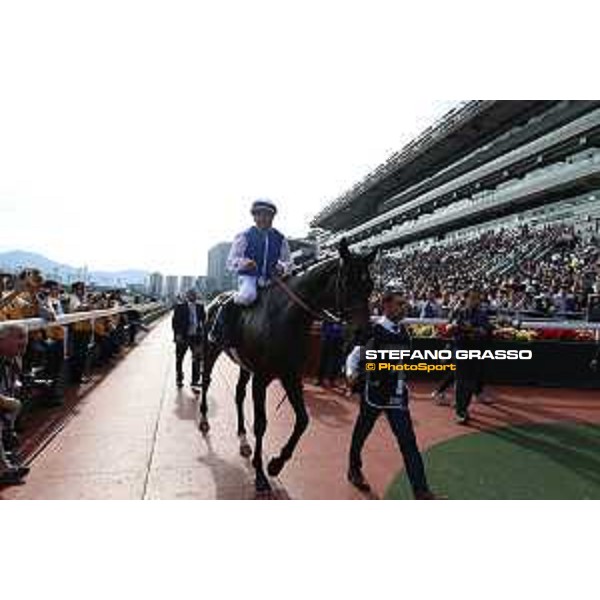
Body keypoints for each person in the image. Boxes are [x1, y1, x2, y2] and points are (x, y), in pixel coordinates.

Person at [345, 291, 435, 499]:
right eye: (399, 304)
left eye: (404, 304)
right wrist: (350, 373)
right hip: (374, 392)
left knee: (408, 442)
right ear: (386, 305)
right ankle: (354, 469)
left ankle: (421, 490)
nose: (404, 307)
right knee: (361, 432)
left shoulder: (404, 331)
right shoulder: (373, 331)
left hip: (396, 396)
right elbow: (355, 355)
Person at [209, 199, 292, 347]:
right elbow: (231, 261)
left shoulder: (281, 238)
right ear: (254, 217)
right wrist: (245, 263)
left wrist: (282, 268)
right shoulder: (244, 235)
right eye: (260, 215)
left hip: (272, 279)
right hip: (249, 278)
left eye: (268, 215)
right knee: (248, 296)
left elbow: (288, 262)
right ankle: (220, 330)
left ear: (273, 217)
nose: (264, 218)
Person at [448, 289, 492, 424]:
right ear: (465, 299)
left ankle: (463, 406)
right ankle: (461, 411)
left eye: (477, 298)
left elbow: (484, 331)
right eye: (472, 298)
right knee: (461, 381)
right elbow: (450, 328)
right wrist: (464, 329)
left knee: (470, 382)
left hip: (475, 350)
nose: (474, 300)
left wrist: (468, 329)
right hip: (460, 348)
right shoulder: (458, 312)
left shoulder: (482, 314)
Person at [0, 324, 30, 485]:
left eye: (25, 336)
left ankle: (4, 464)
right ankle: (3, 469)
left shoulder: (15, 358)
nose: (24, 341)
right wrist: (6, 401)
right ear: (2, 340)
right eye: (18, 337)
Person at [172, 289, 206, 390]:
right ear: (187, 296)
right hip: (183, 336)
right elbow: (175, 322)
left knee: (197, 359)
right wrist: (177, 334)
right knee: (179, 358)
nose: (193, 296)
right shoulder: (180, 307)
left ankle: (195, 381)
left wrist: (203, 333)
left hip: (196, 337)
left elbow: (204, 321)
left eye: (194, 294)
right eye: (191, 295)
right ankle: (179, 378)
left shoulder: (200, 307)